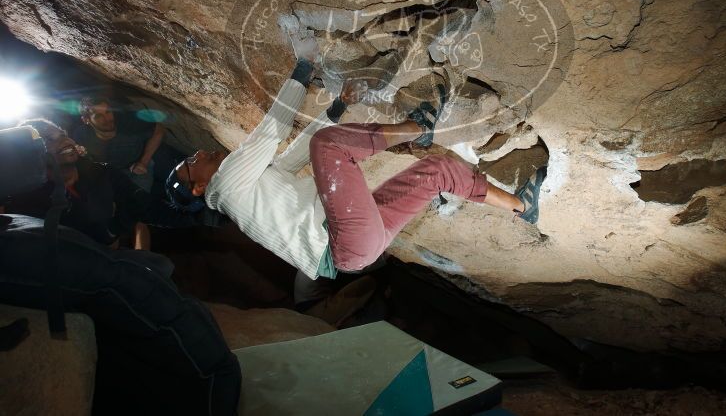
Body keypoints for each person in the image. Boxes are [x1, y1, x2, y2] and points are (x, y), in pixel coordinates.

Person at [167, 57, 547, 280]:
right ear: (198, 189)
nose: (196, 154)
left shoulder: (244, 188)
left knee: (437, 172)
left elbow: (294, 156)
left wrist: (337, 108)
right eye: (188, 164)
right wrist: (303, 65)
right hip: (342, 242)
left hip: (357, 247)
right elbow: (273, 129)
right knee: (327, 145)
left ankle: (522, 207)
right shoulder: (227, 186)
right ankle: (418, 127)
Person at [6, 118, 199, 261]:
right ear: (31, 153)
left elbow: (149, 208)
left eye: (63, 135)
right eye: (49, 139)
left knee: (160, 265)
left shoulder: (101, 173)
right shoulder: (24, 198)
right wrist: (116, 227)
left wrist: (202, 213)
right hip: (71, 271)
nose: (64, 141)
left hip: (107, 261)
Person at [73, 96, 165, 193]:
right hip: (111, 174)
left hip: (136, 167)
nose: (107, 119)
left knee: (141, 201)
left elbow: (159, 129)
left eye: (108, 112)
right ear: (86, 120)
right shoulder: (81, 135)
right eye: (98, 116)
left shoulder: (127, 119)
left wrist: (144, 162)